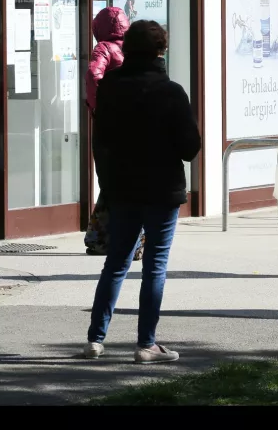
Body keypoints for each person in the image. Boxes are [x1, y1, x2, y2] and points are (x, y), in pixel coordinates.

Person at [83, 20, 201, 364]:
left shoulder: (110, 89)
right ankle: (146, 344)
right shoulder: (172, 92)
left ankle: (95, 339)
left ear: (127, 48)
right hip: (163, 189)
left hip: (122, 188)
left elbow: (101, 141)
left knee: (116, 263)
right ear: (161, 51)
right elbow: (189, 148)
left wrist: (109, 182)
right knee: (155, 266)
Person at [84, 7, 145, 260]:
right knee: (125, 184)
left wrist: (101, 106)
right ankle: (123, 238)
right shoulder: (132, 49)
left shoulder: (105, 48)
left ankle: (102, 237)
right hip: (133, 127)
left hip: (109, 128)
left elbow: (92, 74)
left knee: (111, 184)